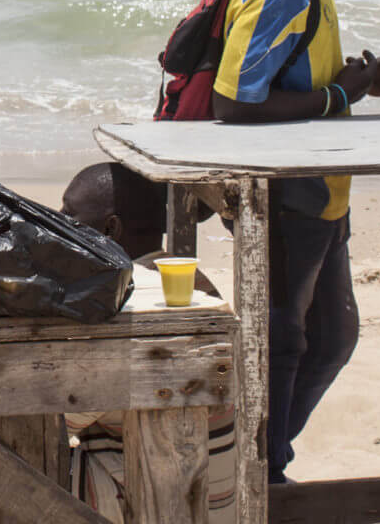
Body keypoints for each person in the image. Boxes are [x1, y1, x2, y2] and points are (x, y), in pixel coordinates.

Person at [211, 0, 380, 484]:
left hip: (322, 192)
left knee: (331, 336)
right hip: (289, 197)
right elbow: (233, 104)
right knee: (287, 339)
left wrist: (357, 84)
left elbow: (293, 77)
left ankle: (257, 465)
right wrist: (338, 96)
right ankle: (261, 476)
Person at [59, 163, 234, 523]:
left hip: (164, 507)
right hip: (215, 502)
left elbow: (56, 419)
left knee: (16, 452)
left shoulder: (123, 305)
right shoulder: (192, 284)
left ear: (110, 229)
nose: (58, 223)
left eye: (69, 215)